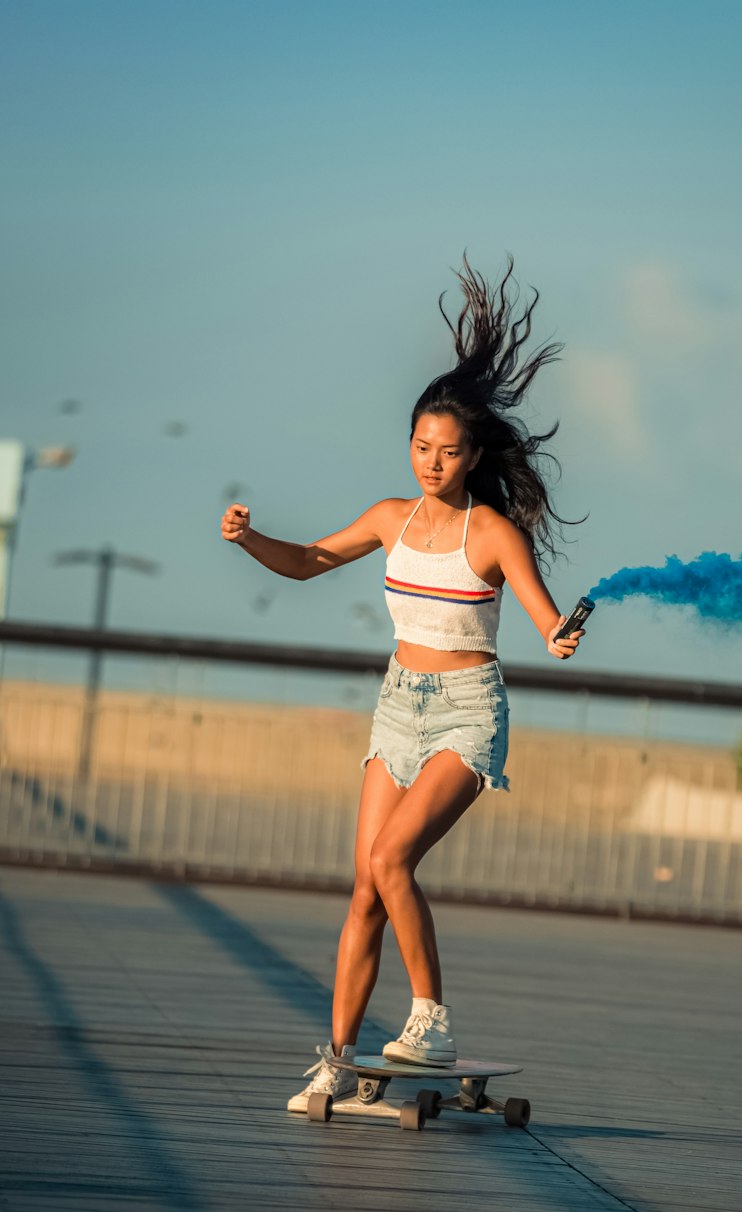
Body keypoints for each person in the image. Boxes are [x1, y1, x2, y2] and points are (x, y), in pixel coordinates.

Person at [220, 259, 585, 1112]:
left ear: (473, 457)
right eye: (421, 447)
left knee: (392, 860)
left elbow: (542, 616)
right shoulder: (391, 519)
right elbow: (309, 561)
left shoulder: (491, 532)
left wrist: (561, 635)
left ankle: (431, 1021)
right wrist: (249, 540)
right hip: (397, 710)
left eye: (448, 451)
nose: (431, 462)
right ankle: (338, 1058)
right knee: (364, 888)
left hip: (466, 714)